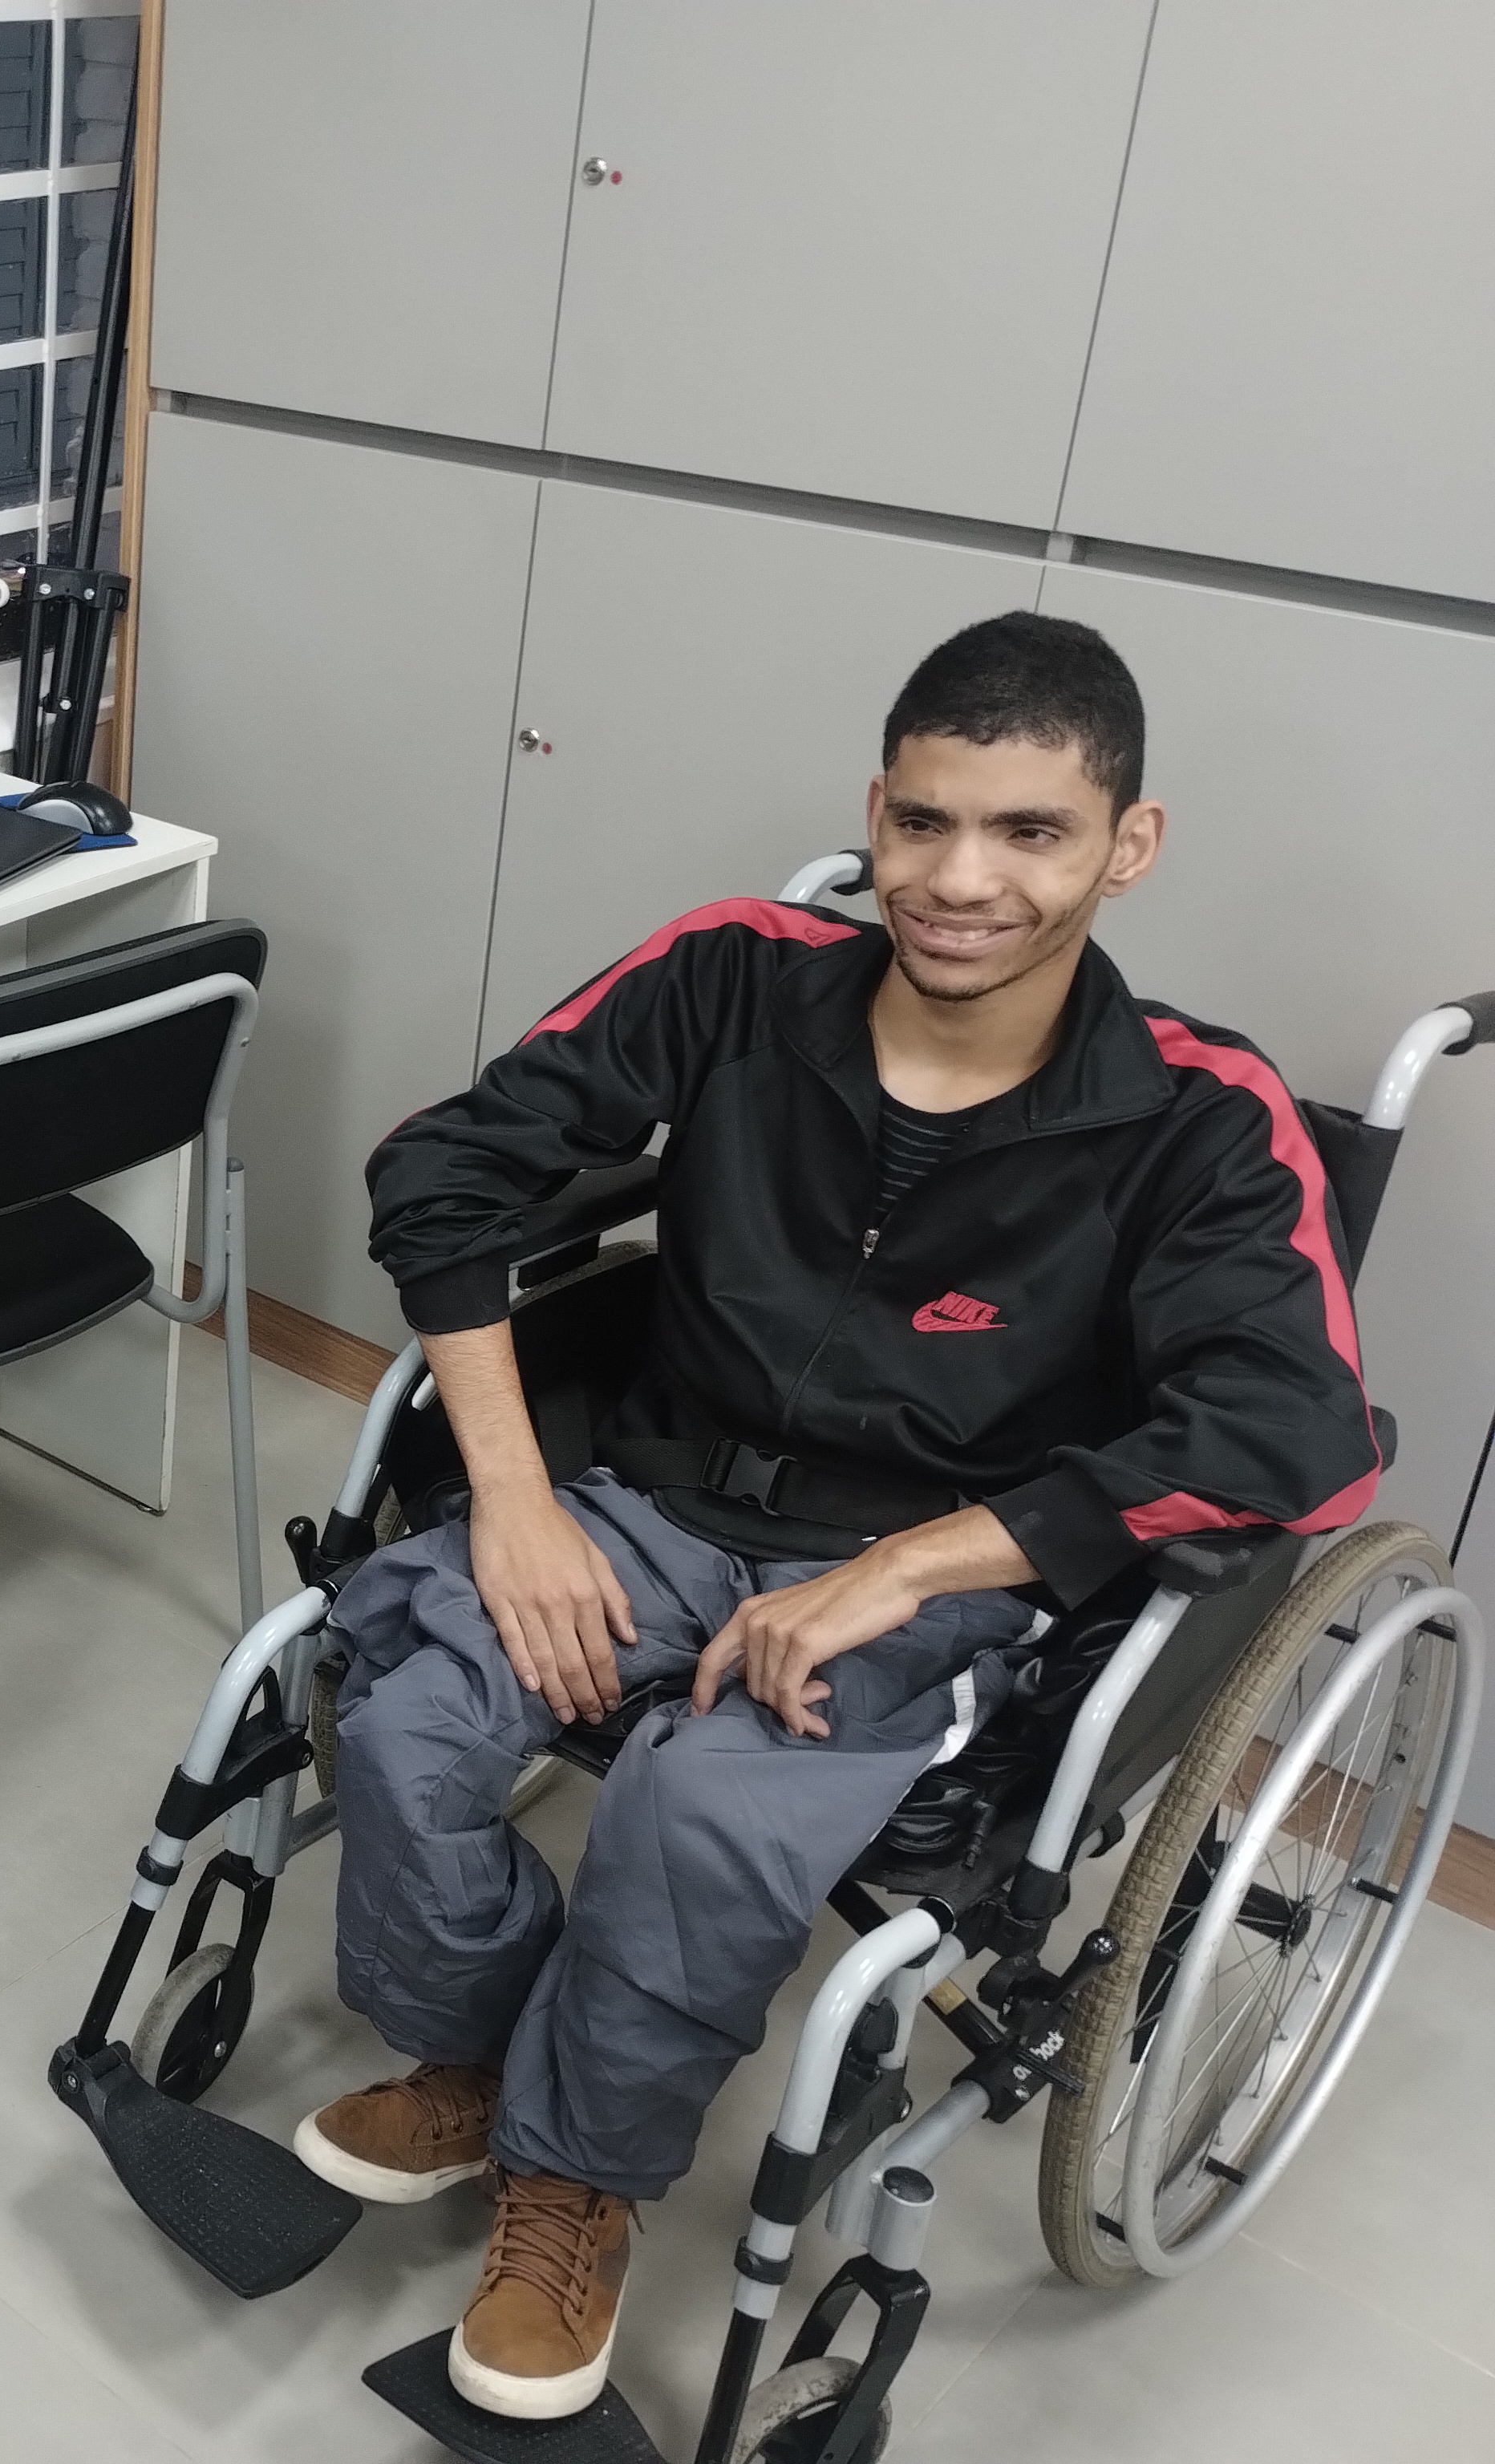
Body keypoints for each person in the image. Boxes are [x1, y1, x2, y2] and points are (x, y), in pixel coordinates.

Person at [294, 613, 1378, 2422]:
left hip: (944, 1569)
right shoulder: (731, 975)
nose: (963, 883)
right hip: (656, 1492)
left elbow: (1297, 1431)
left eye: (1032, 833)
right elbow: (446, 1165)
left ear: (1130, 843)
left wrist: (909, 1567)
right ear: (875, 811)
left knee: (701, 1801)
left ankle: (577, 2182)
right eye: (929, 824)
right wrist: (511, 1504)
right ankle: (486, 2057)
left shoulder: (1199, 1118)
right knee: (404, 1714)